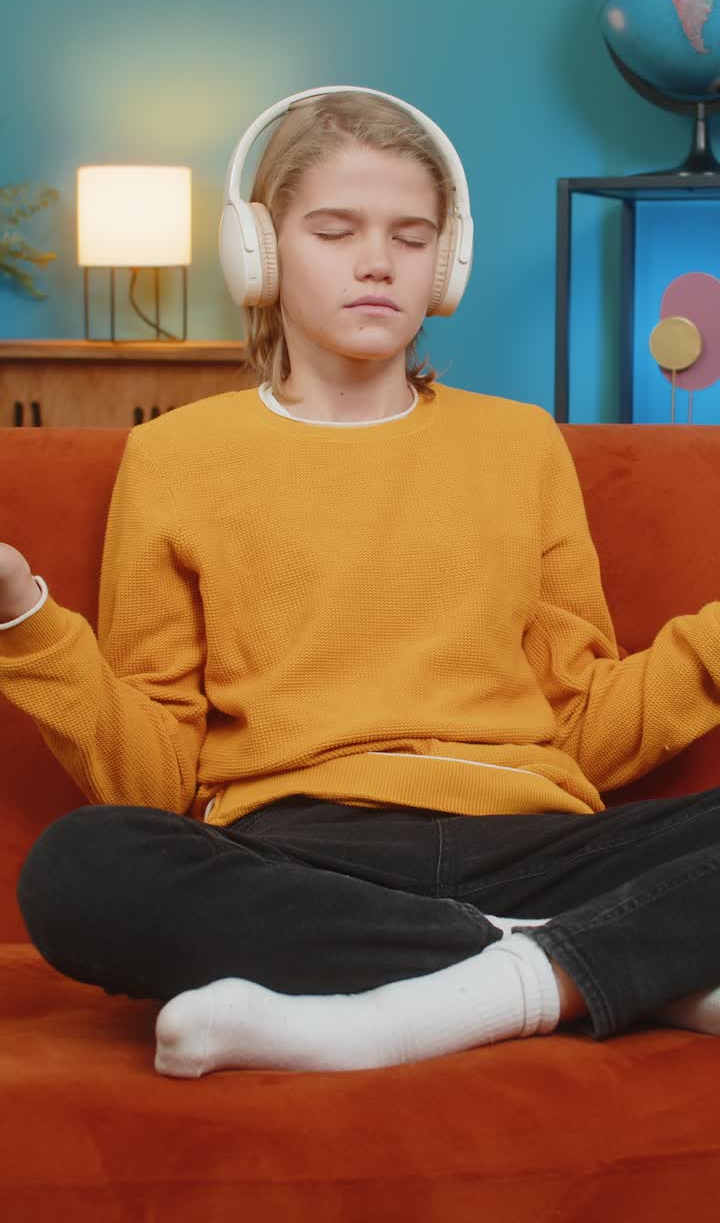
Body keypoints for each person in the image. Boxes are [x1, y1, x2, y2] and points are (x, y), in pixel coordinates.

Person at [3, 86, 720, 1082]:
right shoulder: (176, 458)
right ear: (258, 251)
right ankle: (579, 960)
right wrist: (22, 619)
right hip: (300, 849)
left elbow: (584, 726)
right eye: (335, 230)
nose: (378, 260)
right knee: (83, 867)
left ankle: (443, 993)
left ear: (447, 263)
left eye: (411, 236)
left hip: (536, 834)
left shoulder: (518, 443)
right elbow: (157, 775)